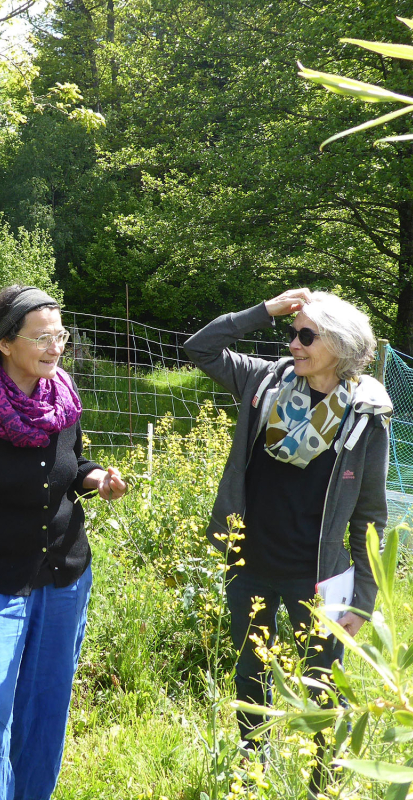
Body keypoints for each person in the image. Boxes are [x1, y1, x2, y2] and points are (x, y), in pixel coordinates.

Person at [0, 285, 127, 800]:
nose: (56, 346)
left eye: (60, 335)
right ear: (6, 343)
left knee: (45, 711)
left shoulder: (63, 398)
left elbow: (73, 464)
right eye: (42, 337)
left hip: (64, 580)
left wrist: (96, 478)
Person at [185, 288, 391, 796]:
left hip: (318, 577)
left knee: (324, 685)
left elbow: (370, 517)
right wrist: (266, 311)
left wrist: (362, 602)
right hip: (248, 561)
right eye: (291, 333)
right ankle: (251, 765)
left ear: (339, 346)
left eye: (305, 335)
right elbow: (199, 349)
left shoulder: (363, 417)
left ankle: (325, 779)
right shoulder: (266, 382)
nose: (293, 344)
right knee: (249, 672)